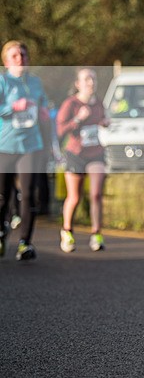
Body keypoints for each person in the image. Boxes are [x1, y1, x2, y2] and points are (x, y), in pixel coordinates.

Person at [0, 40, 49, 261]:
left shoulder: (35, 82)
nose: (20, 59)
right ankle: (1, 232)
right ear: (6, 61)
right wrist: (13, 107)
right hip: (5, 145)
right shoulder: (3, 81)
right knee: (3, 196)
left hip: (30, 145)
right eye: (15, 56)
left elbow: (43, 103)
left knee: (29, 193)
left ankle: (25, 243)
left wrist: (44, 111)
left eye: (23, 55)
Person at [56, 68, 109, 252]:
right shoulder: (70, 104)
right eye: (86, 79)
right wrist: (78, 119)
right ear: (78, 84)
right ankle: (67, 231)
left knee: (96, 194)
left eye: (93, 78)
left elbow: (102, 121)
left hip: (95, 153)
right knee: (74, 197)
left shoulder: (99, 103)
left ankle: (96, 234)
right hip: (75, 154)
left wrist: (105, 123)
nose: (91, 82)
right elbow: (60, 130)